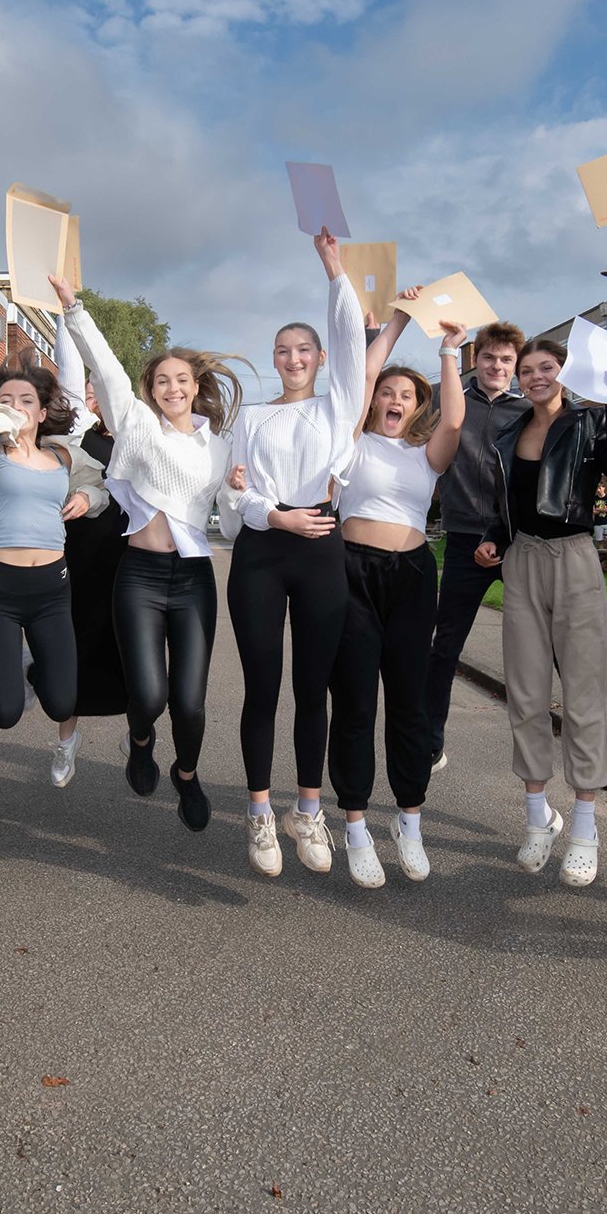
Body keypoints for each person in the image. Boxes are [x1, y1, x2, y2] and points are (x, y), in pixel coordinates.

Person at [50, 272, 240, 834]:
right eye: (161, 380)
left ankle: (187, 773)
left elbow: (231, 515)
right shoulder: (135, 424)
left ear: (196, 383)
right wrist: (73, 309)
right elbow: (105, 369)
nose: (171, 388)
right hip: (138, 575)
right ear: (151, 388)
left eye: (181, 379)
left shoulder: (220, 445)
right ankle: (140, 741)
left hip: (193, 581)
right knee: (149, 694)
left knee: (190, 702)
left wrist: (241, 488)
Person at [223, 228, 367, 876]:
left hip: (320, 555)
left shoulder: (340, 405)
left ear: (318, 357)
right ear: (273, 360)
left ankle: (307, 809)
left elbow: (350, 339)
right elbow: (238, 499)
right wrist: (275, 514)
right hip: (262, 551)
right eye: (282, 350)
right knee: (263, 687)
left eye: (304, 348)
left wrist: (333, 267)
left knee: (315, 689)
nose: (293, 357)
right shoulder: (250, 418)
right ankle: (259, 814)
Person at [475, 335, 607, 887]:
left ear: (565, 374)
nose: (536, 375)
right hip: (521, 561)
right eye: (528, 369)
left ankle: (586, 829)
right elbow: (509, 504)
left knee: (585, 694)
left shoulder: (589, 423)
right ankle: (537, 817)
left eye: (547, 367)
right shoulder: (508, 431)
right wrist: (495, 538)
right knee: (524, 690)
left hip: (574, 559)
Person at [0, 274, 109, 787]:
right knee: (7, 711)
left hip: (53, 589)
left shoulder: (62, 454)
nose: (15, 406)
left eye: (26, 400)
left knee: (61, 699)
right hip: (1, 590)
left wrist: (85, 497)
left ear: (40, 410)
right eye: (5, 398)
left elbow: (100, 490)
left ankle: (32, 671)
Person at [323, 288, 468, 886]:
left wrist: (450, 351)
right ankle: (355, 824)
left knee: (409, 706)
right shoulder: (350, 439)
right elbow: (361, 375)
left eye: (406, 397)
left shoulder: (426, 455)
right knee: (355, 703)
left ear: (416, 408)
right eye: (387, 392)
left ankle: (409, 819)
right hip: (350, 571)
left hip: (411, 577)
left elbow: (456, 419)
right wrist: (402, 321)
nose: (394, 399)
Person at [422, 321, 528, 771]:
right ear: (475, 360)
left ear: (516, 366)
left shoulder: (528, 411)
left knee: (548, 648)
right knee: (445, 645)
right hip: (465, 540)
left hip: (516, 542)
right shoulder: (450, 406)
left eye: (506, 360)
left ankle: (588, 741)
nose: (497, 366)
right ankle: (430, 739)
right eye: (489, 357)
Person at [51, 312, 130, 772]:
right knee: (73, 647)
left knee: (129, 648)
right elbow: (67, 372)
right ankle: (66, 740)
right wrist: (65, 314)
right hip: (78, 555)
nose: (92, 393)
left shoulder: (138, 437)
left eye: (99, 385)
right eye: (89, 387)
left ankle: (137, 735)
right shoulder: (74, 436)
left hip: (125, 556)